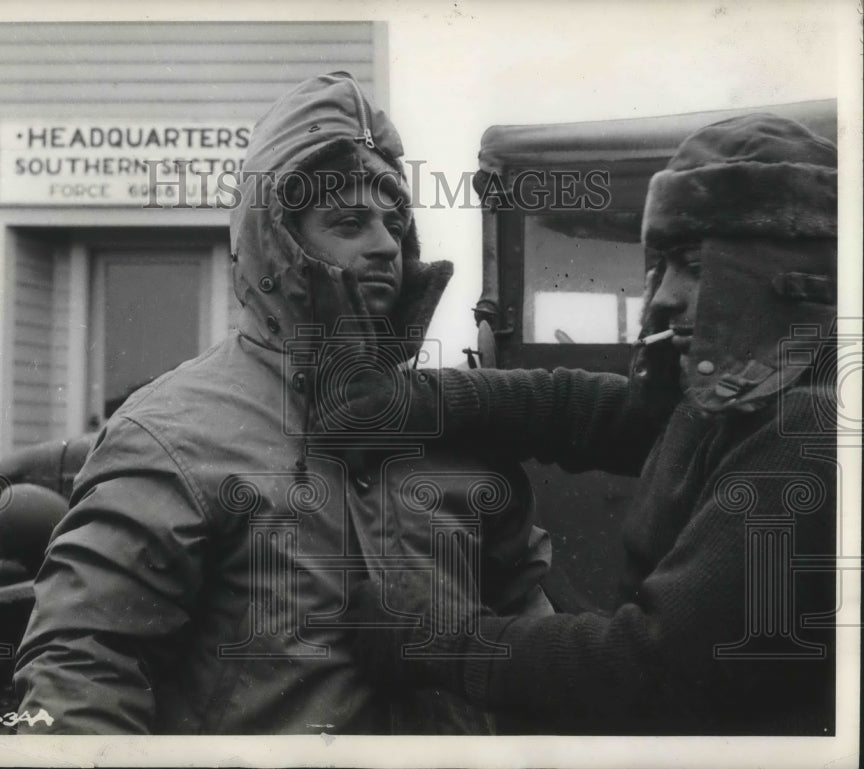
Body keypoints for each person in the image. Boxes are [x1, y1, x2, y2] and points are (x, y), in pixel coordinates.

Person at [12, 71, 551, 734]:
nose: (384, 243)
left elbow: (531, 641)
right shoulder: (174, 435)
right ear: (279, 242)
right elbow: (81, 667)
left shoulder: (450, 425)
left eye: (395, 221)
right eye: (348, 222)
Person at [345, 113, 839, 734]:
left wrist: (436, 641)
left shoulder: (812, 429)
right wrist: (420, 399)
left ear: (780, 272)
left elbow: (647, 673)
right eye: (661, 264)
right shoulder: (758, 388)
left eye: (695, 263)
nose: (661, 298)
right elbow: (599, 411)